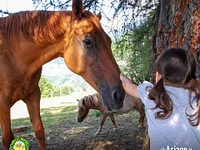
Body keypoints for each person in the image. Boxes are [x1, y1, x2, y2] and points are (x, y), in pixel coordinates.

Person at [120, 48, 200, 150]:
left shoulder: (150, 94)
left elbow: (128, 87)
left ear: (159, 75)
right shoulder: (197, 98)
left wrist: (122, 77)